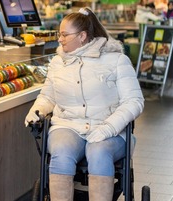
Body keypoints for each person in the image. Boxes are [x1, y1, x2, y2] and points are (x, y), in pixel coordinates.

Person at [24, 7, 144, 201]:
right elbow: (48, 96)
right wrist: (36, 110)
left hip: (108, 129)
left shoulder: (116, 60)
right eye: (59, 34)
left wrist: (108, 128)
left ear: (82, 36)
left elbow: (134, 101)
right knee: (61, 153)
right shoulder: (57, 63)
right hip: (68, 126)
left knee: (98, 153)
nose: (60, 39)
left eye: (64, 35)